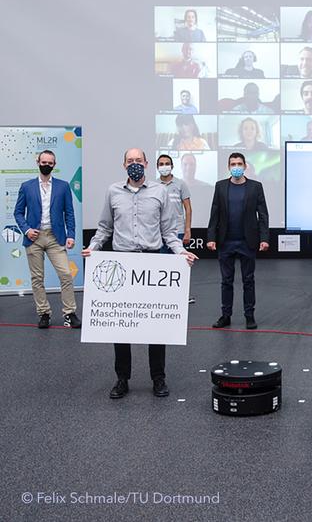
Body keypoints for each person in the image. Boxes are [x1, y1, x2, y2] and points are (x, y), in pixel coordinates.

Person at [83, 148, 198, 399]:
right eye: (130, 161)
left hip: (152, 262)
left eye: (139, 160)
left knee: (155, 324)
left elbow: (169, 231)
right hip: (123, 263)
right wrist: (92, 247)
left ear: (146, 164)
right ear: (124, 165)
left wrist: (180, 252)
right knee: (121, 324)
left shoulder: (160, 192)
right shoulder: (113, 191)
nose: (135, 164)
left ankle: (158, 378)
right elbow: (104, 228)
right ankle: (122, 378)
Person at [14, 150, 80, 329]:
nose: (46, 165)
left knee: (66, 274)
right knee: (37, 278)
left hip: (55, 237)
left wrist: (71, 235)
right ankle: (44, 313)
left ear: (54, 165)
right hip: (33, 237)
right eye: (44, 162)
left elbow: (70, 213)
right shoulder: (26, 186)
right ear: (38, 162)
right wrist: (27, 230)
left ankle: (69, 313)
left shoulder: (63, 186)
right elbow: (18, 212)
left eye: (50, 163)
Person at [207, 152, 270, 330]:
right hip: (225, 242)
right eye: (233, 164)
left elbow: (263, 214)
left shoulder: (255, 187)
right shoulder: (220, 186)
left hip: (247, 241)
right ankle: (225, 316)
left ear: (245, 166)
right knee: (226, 281)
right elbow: (215, 213)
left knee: (248, 280)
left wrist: (264, 238)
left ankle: (249, 316)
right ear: (228, 167)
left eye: (239, 164)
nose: (236, 167)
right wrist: (211, 238)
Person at [156, 154, 192, 252]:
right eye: (161, 164)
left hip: (178, 231)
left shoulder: (181, 184)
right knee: (162, 261)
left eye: (167, 164)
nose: (164, 166)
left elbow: (188, 208)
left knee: (178, 262)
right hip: (160, 232)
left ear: (172, 166)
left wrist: (187, 230)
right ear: (157, 167)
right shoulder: (154, 186)